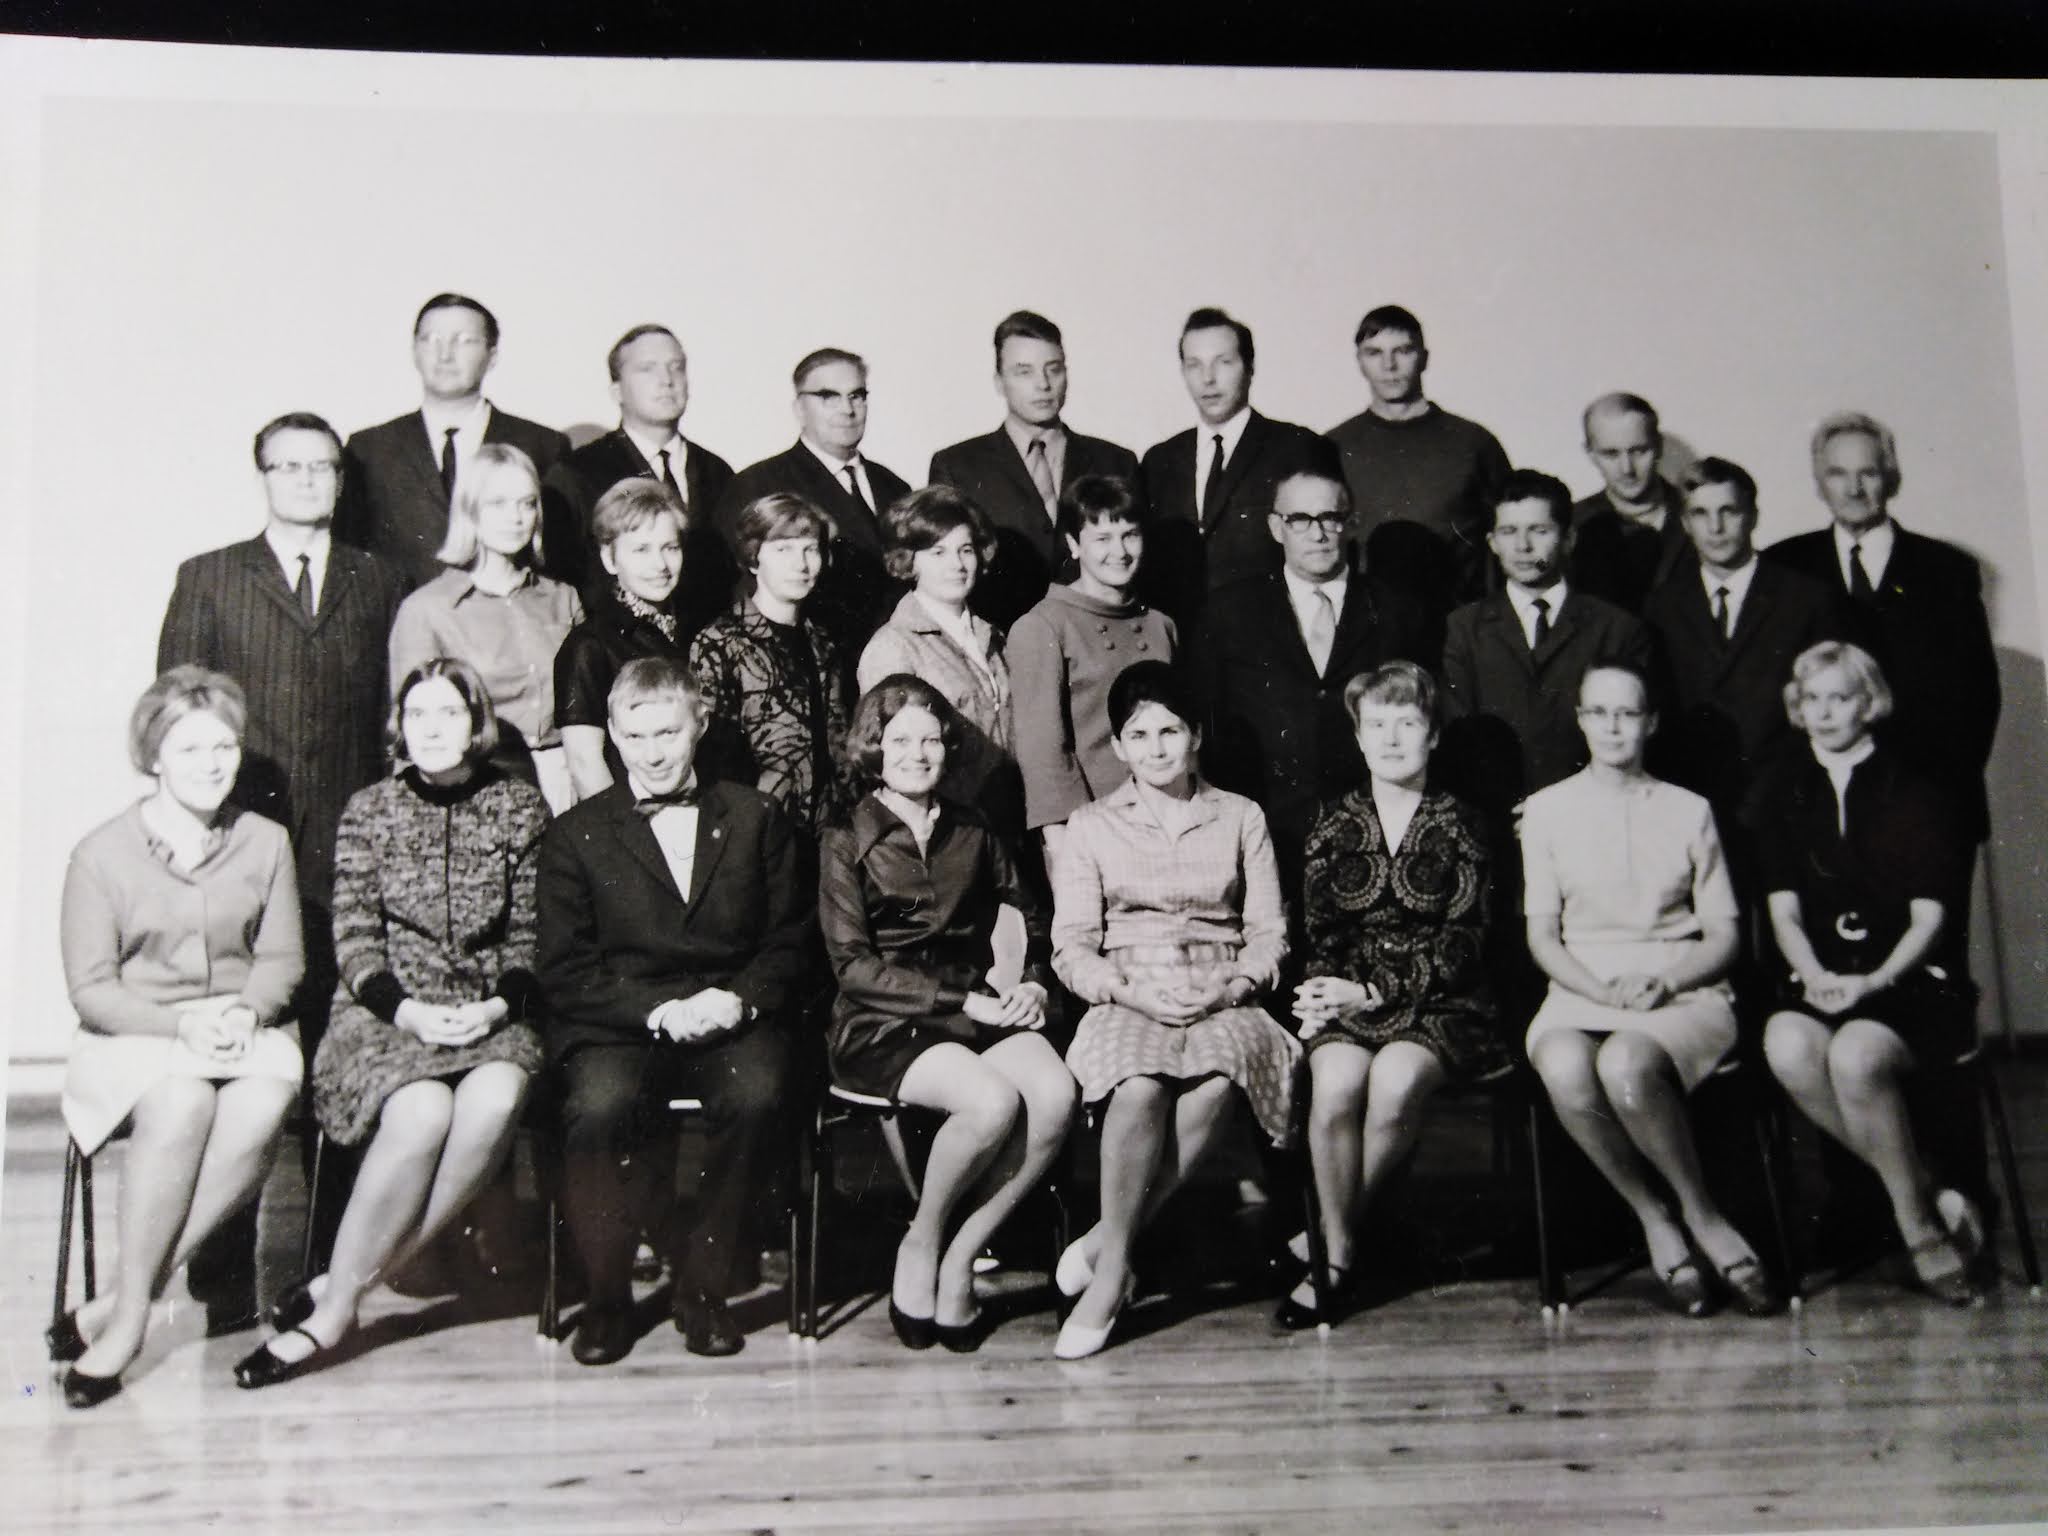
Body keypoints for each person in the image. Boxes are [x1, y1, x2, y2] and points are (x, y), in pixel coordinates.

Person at [231, 659, 547, 1388]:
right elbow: (354, 940)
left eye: (449, 713)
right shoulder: (369, 810)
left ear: (476, 725)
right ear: (399, 727)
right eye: (418, 715)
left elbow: (531, 935)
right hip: (383, 1013)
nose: (432, 729)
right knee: (422, 1110)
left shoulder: (521, 808)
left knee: (496, 1098)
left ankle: (338, 1293)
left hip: (489, 1009)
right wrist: (408, 1011)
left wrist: (495, 1007)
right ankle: (336, 1311)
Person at [158, 409, 409, 1304]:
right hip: (237, 851)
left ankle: (325, 1264)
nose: (306, 481)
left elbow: (395, 718)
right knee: (241, 1051)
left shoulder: (382, 580)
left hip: (346, 853)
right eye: (288, 466)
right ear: (261, 476)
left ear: (341, 478)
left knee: (340, 1052)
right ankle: (222, 1267)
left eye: (322, 467)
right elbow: (174, 718)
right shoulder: (210, 576)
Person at [537, 657, 813, 1364]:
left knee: (758, 1094)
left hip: (729, 1012)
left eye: (668, 733)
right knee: (598, 1107)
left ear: (700, 725)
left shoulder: (755, 817)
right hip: (621, 1020)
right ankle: (607, 1298)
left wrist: (737, 999)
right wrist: (660, 1012)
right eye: (635, 737)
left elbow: (790, 940)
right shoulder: (575, 833)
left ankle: (703, 1288)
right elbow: (566, 971)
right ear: (611, 736)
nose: (653, 753)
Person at [52, 668, 304, 1407]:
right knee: (182, 1099)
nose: (212, 764)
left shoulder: (265, 842)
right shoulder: (100, 854)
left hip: (237, 1022)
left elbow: (282, 960)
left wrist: (247, 1012)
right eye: (190, 749)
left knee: (264, 1100)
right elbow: (92, 990)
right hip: (133, 1031)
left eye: (225, 747)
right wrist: (181, 1024)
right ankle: (130, 1323)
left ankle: (118, 1303)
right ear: (154, 756)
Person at [1048, 661, 1299, 1358]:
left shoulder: (1241, 816)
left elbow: (1268, 932)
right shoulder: (1091, 825)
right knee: (1139, 1087)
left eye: (1170, 731)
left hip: (1224, 991)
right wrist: (1129, 990)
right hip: (1131, 989)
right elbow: (1072, 945)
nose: (1156, 748)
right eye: (1139, 735)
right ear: (1118, 747)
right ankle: (1115, 1271)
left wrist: (1230, 987)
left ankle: (1106, 1251)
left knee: (1217, 1078)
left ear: (1195, 737)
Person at [818, 676, 1075, 1350]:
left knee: (1056, 1096)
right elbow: (853, 968)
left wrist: (1035, 983)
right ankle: (923, 1240)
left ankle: (962, 1255)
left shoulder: (973, 826)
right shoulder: (846, 836)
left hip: (974, 1004)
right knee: (992, 1103)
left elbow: (1034, 917)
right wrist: (965, 1002)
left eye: (930, 739)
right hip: (883, 1021)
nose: (917, 753)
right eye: (900, 739)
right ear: (874, 747)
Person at [1519, 660, 1780, 1318]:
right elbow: (1543, 937)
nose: (1613, 726)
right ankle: (1654, 1216)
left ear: (1651, 722)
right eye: (1599, 712)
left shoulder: (1690, 811)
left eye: (1628, 713)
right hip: (1581, 985)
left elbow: (1723, 936)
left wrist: (1664, 980)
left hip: (1681, 988)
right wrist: (1600, 990)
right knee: (1561, 1062)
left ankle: (1703, 1215)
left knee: (1626, 1063)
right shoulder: (1545, 812)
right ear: (1581, 721)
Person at [1756, 641, 1984, 1304]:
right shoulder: (1782, 790)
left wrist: (1874, 981)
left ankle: (1917, 1230)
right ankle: (1928, 1188)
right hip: (1822, 978)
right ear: (1798, 708)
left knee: (1855, 1055)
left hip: (1908, 981)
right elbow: (1784, 912)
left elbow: (1929, 919)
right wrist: (1812, 974)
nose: (1825, 712)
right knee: (1786, 1043)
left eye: (1841, 698)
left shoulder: (1914, 787)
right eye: (1813, 699)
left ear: (1869, 703)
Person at [1284, 661, 1501, 1327]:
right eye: (1377, 724)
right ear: (1358, 736)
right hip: (1349, 999)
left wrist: (1373, 989)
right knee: (1335, 1085)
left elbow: (1464, 943)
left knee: (1396, 1081)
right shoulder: (1332, 821)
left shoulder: (1462, 822)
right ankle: (1342, 1242)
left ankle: (1332, 1248)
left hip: (1440, 1003)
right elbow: (1321, 932)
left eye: (1407, 723)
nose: (1392, 738)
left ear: (1433, 735)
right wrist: (1325, 992)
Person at [1194, 469, 1438, 917]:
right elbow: (1209, 724)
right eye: (1300, 519)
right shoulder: (1229, 611)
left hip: (1372, 833)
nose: (1318, 533)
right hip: (1265, 833)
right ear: (1276, 527)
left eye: (1330, 517)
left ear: (1351, 523)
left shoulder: (1398, 611)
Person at [1762, 411, 2001, 856]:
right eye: (1838, 474)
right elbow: (1770, 693)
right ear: (1819, 483)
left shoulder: (1947, 570)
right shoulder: (1782, 566)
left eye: (1868, 473)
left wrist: (1934, 804)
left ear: (1891, 478)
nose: (1854, 489)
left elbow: (1977, 699)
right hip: (1818, 815)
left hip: (1926, 814)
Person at [1640, 456, 1846, 872]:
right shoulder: (1661, 606)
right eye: (1701, 514)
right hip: (1695, 811)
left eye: (1728, 511)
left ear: (1752, 516)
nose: (1715, 527)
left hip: (1786, 808)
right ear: (1685, 523)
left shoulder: (1805, 599)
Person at [1440, 470, 1652, 822]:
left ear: (1568, 539)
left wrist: (1559, 809)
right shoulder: (1464, 628)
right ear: (1492, 542)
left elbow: (1630, 739)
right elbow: (1458, 734)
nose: (1523, 547)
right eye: (1509, 532)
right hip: (1494, 822)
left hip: (1590, 819)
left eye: (1539, 531)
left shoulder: (1617, 629)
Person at [388, 443, 585, 810]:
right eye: (498, 503)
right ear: (470, 511)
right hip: (479, 788)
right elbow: (411, 737)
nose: (516, 517)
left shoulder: (563, 598)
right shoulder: (426, 609)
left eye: (527, 503)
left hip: (568, 782)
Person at [928, 310, 1143, 630]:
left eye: (1053, 369)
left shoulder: (1116, 462)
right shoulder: (957, 467)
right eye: (1024, 372)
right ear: (999, 382)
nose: (1043, 384)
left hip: (1100, 641)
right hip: (1000, 643)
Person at [338, 293, 569, 587]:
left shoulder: (543, 445)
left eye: (464, 341)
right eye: (431, 339)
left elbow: (558, 559)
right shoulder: (369, 448)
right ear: (414, 351)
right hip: (399, 614)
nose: (445, 354)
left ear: (492, 356)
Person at [1008, 475, 1177, 874]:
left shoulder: (1161, 625)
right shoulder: (1043, 626)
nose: (1119, 551)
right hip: (1093, 834)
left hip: (1169, 822)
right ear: (1073, 544)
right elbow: (1043, 754)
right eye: (1102, 538)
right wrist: (1065, 850)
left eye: (1130, 535)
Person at [1140, 306, 1340, 621]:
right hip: (1182, 636)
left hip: (1269, 632)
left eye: (1223, 362)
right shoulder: (1159, 460)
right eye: (1194, 365)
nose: (1208, 379)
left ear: (1249, 367)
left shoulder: (1298, 447)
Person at [716, 348, 912, 649]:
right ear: (799, 408)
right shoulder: (757, 484)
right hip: (808, 657)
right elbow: (738, 591)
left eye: (857, 396)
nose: (847, 409)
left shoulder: (894, 485)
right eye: (828, 396)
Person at [540, 322, 737, 619]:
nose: (667, 380)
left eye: (677, 367)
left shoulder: (717, 471)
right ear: (616, 391)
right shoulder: (575, 473)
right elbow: (563, 582)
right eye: (647, 369)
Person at [687, 492, 854, 839]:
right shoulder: (719, 642)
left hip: (830, 836)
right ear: (753, 558)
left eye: (810, 549)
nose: (801, 564)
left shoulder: (824, 642)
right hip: (756, 834)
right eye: (783, 549)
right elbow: (713, 763)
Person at [857, 485, 1021, 837]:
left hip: (1010, 825)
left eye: (966, 550)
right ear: (908, 561)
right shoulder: (893, 647)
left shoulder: (995, 637)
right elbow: (894, 765)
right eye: (938, 552)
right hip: (950, 835)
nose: (957, 565)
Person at [1324, 305, 1510, 613]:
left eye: (1403, 351)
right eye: (1374, 353)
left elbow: (1509, 539)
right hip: (1366, 622)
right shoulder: (1333, 445)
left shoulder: (1474, 443)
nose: (1389, 365)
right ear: (1359, 362)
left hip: (1458, 621)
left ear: (1424, 358)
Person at [554, 478, 698, 802]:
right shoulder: (588, 645)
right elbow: (585, 764)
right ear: (609, 558)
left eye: (670, 547)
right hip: (634, 817)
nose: (660, 565)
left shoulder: (697, 629)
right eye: (641, 550)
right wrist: (630, 830)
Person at [1568, 393, 1692, 613]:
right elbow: (1541, 568)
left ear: (1659, 446)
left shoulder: (1701, 515)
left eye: (1639, 451)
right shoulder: (1570, 524)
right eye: (1611, 454)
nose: (1627, 468)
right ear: (1590, 454)